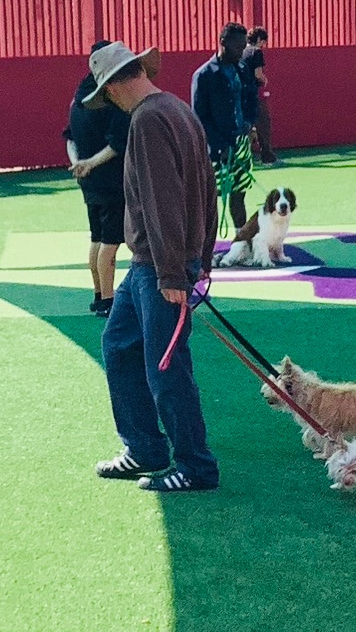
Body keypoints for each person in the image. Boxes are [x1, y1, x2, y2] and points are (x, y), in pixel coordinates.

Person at [82, 41, 220, 493]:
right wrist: (199, 258)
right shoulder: (179, 110)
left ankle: (195, 466)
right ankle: (145, 448)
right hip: (160, 264)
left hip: (156, 266)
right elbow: (206, 189)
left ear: (114, 86)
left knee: (166, 366)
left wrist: (173, 273)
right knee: (121, 345)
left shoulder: (146, 120)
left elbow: (162, 202)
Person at [64, 40, 131, 318]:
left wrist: (78, 164)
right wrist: (91, 163)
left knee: (97, 237)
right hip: (110, 179)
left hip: (88, 180)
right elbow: (118, 143)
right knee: (111, 242)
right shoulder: (110, 99)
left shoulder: (78, 98)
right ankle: (108, 299)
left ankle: (97, 294)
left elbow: (69, 136)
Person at [192, 22, 259, 233]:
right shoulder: (203, 75)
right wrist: (220, 146)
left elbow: (250, 99)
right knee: (210, 200)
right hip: (216, 148)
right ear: (222, 43)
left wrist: (249, 125)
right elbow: (199, 117)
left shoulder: (241, 68)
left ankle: (242, 241)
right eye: (238, 47)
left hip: (240, 142)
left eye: (243, 46)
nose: (242, 52)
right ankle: (204, 251)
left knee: (239, 194)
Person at [242, 26, 280, 166]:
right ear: (259, 39)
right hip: (252, 94)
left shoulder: (240, 51)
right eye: (263, 42)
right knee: (264, 122)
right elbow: (258, 73)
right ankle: (267, 155)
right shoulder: (256, 52)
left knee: (244, 125)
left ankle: (242, 156)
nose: (263, 45)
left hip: (238, 94)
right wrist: (264, 80)